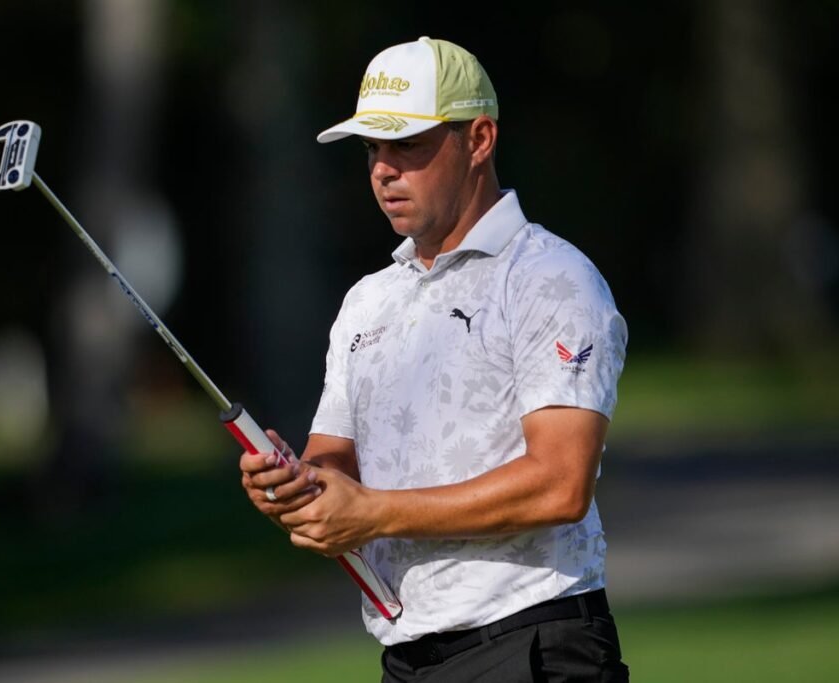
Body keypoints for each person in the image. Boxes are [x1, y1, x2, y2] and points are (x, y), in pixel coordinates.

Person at [239, 36, 629, 682]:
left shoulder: (551, 277)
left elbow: (561, 481)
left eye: (408, 146)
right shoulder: (368, 302)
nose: (383, 169)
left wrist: (374, 510)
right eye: (372, 149)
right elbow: (335, 460)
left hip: (534, 642)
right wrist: (295, 487)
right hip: (408, 655)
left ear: (479, 139)